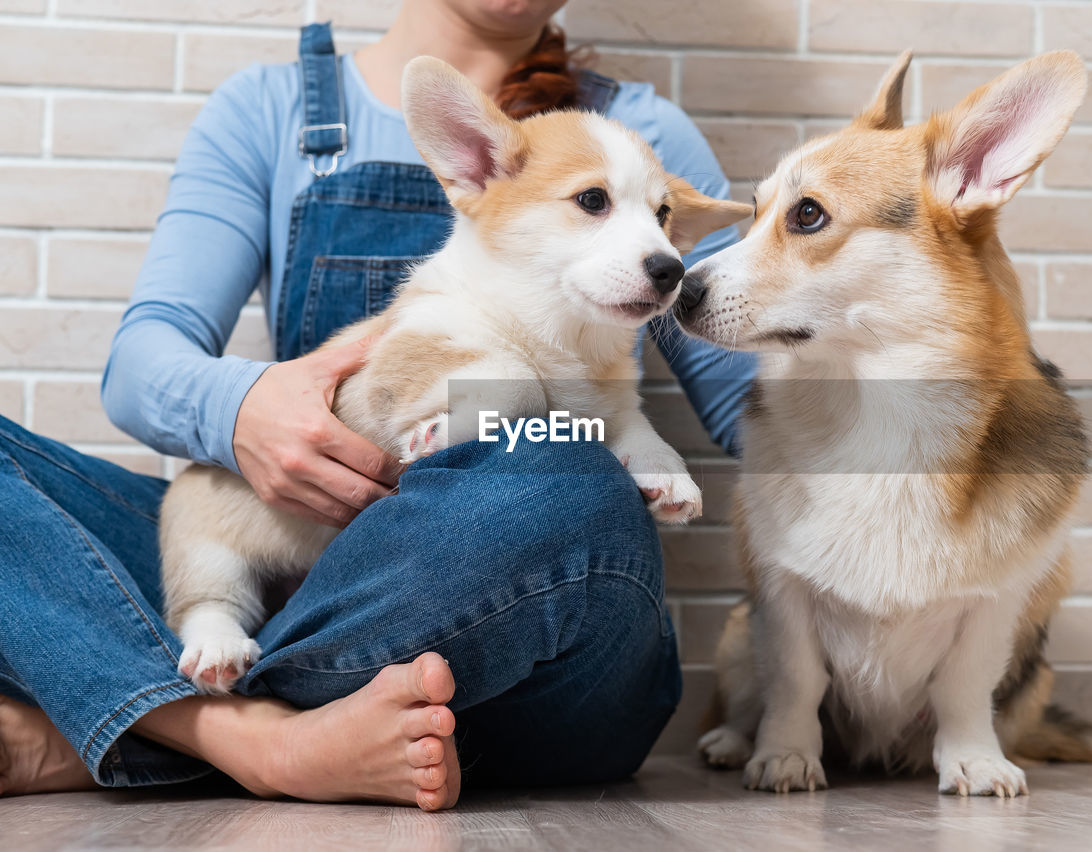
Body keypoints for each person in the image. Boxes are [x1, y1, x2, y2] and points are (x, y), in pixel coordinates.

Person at [0, 0, 754, 811]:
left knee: (566, 479)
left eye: (661, 218)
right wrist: (250, 406)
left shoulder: (644, 133)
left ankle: (145, 719)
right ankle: (260, 740)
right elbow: (142, 362)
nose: (658, 244)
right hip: (294, 554)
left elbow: (751, 399)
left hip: (523, 642)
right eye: (595, 202)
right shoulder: (273, 109)